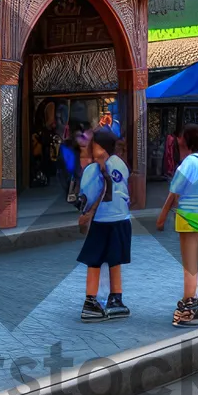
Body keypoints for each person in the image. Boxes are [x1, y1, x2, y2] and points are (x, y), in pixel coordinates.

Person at [156, 123, 198, 325]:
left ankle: (188, 303)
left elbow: (174, 193)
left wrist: (162, 216)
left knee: (190, 264)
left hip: (188, 215)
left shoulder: (188, 163)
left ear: (186, 143)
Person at [76, 128, 132, 321]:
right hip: (121, 218)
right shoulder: (120, 164)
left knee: (95, 261)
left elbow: (87, 194)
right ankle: (116, 298)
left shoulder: (92, 170)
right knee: (115, 260)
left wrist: (84, 212)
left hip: (100, 220)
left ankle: (90, 301)